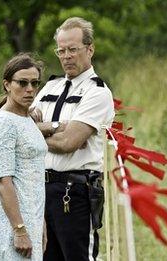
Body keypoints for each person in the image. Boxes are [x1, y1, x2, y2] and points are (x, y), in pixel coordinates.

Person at [31, 17, 115, 260]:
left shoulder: (96, 92)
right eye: (61, 50)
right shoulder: (49, 88)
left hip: (75, 191)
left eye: (73, 49)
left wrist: (36, 132)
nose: (66, 56)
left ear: (90, 49)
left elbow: (69, 143)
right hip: (40, 188)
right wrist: (58, 127)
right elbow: (23, 123)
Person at [0, 53, 48, 261]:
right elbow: (3, 180)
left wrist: (41, 222)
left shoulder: (25, 117)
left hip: (31, 214)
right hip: (11, 220)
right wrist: (19, 229)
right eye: (22, 83)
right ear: (7, 85)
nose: (30, 89)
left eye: (34, 83)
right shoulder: (4, 122)